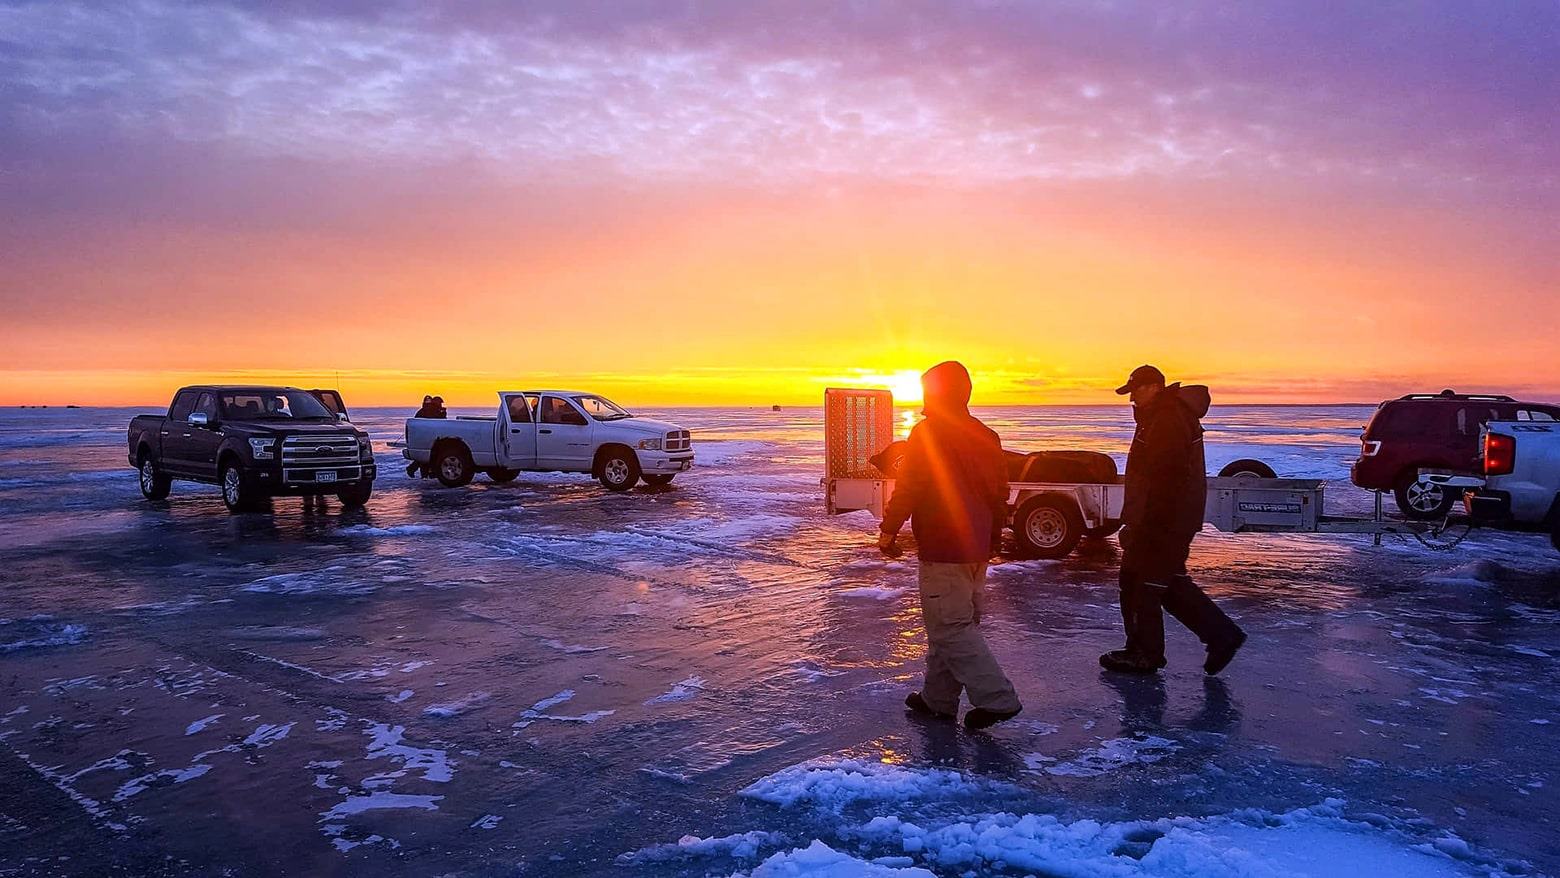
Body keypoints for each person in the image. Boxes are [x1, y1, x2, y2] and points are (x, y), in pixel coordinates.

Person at [878, 361, 1023, 730]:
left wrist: (889, 529)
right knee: (950, 621)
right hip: (975, 547)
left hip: (945, 545)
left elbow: (910, 486)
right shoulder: (986, 435)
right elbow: (998, 493)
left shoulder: (928, 434)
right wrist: (992, 537)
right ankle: (937, 700)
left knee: (951, 626)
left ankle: (997, 699)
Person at [1100, 365, 1246, 675]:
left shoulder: (1167, 420)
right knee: (1165, 584)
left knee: (1142, 585)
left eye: (1136, 390)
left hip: (1164, 521)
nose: (1132, 399)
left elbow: (1167, 481)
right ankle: (1222, 635)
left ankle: (1145, 654)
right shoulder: (1159, 417)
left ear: (1154, 387)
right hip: (1163, 519)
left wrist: (1149, 525)